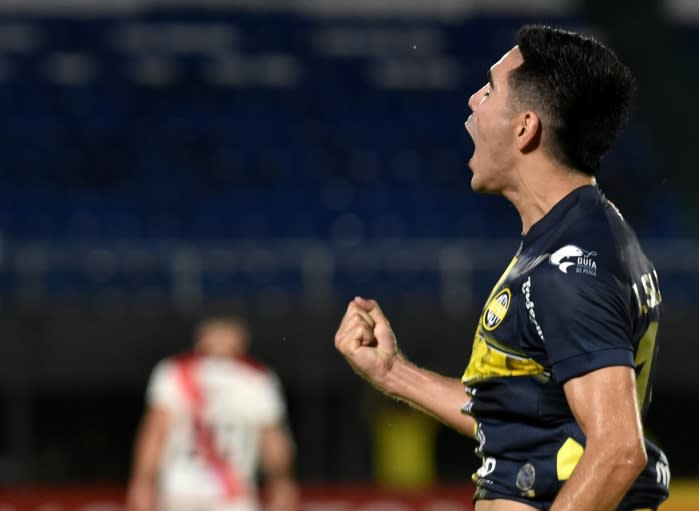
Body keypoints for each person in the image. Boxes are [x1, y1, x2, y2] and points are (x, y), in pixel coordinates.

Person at [334, 24, 670, 511]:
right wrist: (393, 373)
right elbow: (522, 417)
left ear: (524, 127)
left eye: (490, 90)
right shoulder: (570, 238)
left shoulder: (573, 267)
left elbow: (618, 452)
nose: (473, 100)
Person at [126, 315, 300, 511]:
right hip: (230, 496)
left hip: (181, 494)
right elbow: (274, 443)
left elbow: (154, 434)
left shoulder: (174, 371)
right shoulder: (256, 379)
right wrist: (283, 483)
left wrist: (142, 483)